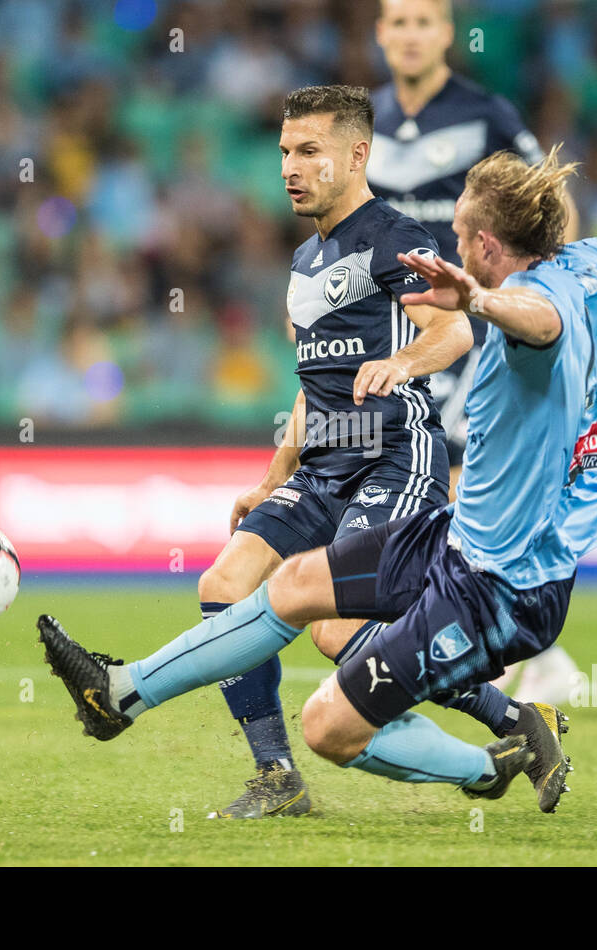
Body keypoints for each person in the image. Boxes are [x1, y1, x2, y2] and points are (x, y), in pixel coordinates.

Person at [36, 148, 597, 812]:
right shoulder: (593, 262)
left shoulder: (528, 301)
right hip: (461, 540)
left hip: (505, 587)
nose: (455, 240)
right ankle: (119, 693)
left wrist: (479, 304)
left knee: (327, 727)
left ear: (488, 244)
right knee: (296, 584)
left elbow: (540, 322)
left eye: (462, 229)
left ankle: (492, 761)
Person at [196, 84, 472, 817]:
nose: (290, 166)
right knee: (225, 585)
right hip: (322, 466)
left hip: (391, 454)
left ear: (357, 155)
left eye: (310, 151)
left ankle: (502, 717)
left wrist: (404, 363)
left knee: (333, 630)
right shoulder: (303, 260)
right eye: (285, 151)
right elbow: (309, 391)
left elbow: (456, 330)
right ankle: (278, 776)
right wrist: (269, 481)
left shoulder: (396, 236)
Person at [369, 0, 584, 705]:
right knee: (405, 484)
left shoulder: (485, 113)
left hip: (465, 328)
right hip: (390, 329)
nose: (409, 35)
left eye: (422, 22)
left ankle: (520, 644)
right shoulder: (363, 119)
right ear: (380, 33)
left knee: (462, 477)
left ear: (446, 35)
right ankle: (436, 637)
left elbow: (551, 205)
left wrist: (544, 283)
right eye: (397, 22)